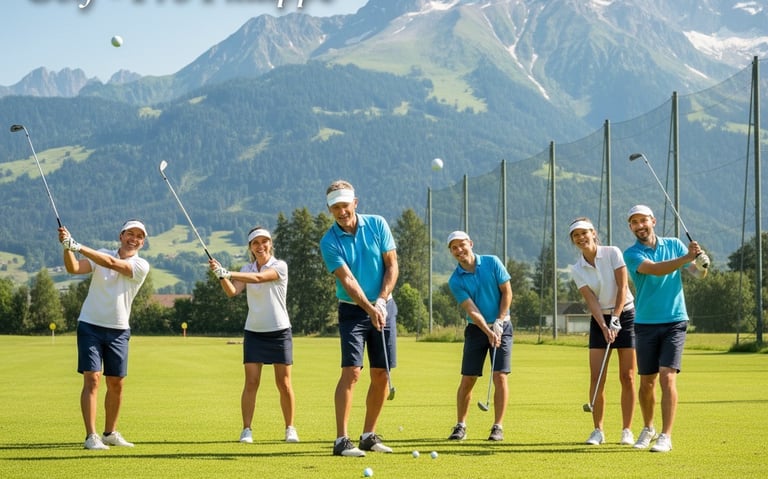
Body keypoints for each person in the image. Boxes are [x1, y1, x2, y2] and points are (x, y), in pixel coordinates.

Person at [319, 180, 399, 457]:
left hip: (384, 305)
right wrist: (369, 308)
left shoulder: (377, 224)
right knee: (352, 372)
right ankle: (342, 440)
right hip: (353, 310)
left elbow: (392, 264)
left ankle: (368, 436)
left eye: (345, 205)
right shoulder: (329, 241)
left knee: (381, 373)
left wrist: (381, 301)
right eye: (335, 208)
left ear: (355, 202)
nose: (342, 212)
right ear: (330, 210)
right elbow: (348, 281)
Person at [623, 205, 709, 453]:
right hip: (645, 323)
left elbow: (695, 274)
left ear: (653, 221)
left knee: (667, 376)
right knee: (647, 382)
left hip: (674, 320)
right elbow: (655, 270)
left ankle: (666, 435)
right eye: (634, 222)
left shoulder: (674, 244)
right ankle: (648, 428)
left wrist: (702, 264)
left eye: (643, 220)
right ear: (630, 227)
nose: (640, 226)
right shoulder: (631, 253)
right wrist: (687, 257)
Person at [58, 220, 150, 450]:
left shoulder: (141, 265)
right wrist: (67, 248)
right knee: (92, 379)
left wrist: (77, 246)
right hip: (90, 324)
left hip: (119, 330)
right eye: (130, 234)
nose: (134, 239)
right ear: (121, 236)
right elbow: (74, 268)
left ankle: (109, 433)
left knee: (116, 383)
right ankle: (91, 436)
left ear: (143, 242)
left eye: (139, 236)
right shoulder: (101, 253)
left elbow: (112, 263)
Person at [209, 226, 299, 444]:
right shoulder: (246, 268)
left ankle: (290, 429)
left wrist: (228, 273)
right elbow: (232, 291)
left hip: (279, 331)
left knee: (284, 383)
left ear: (270, 243)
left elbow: (259, 278)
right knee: (251, 382)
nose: (261, 246)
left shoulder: (279, 266)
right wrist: (221, 275)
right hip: (254, 332)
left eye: (264, 242)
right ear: (250, 247)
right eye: (255, 243)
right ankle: (246, 430)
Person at [568, 217, 637, 446]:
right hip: (600, 319)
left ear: (593, 233)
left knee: (627, 376)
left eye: (584, 233)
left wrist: (616, 318)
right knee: (597, 377)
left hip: (625, 313)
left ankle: (627, 430)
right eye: (576, 235)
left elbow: (623, 287)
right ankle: (598, 430)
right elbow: (591, 300)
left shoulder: (612, 252)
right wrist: (605, 325)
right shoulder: (577, 268)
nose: (581, 238)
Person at [446, 231, 513, 442]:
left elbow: (507, 292)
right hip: (476, 329)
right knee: (468, 378)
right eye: (454, 248)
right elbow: (471, 309)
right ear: (451, 252)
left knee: (500, 376)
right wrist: (488, 330)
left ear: (471, 244)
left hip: (503, 325)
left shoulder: (492, 262)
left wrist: (500, 321)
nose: (459, 250)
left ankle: (497, 427)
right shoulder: (455, 280)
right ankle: (460, 425)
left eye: (462, 245)